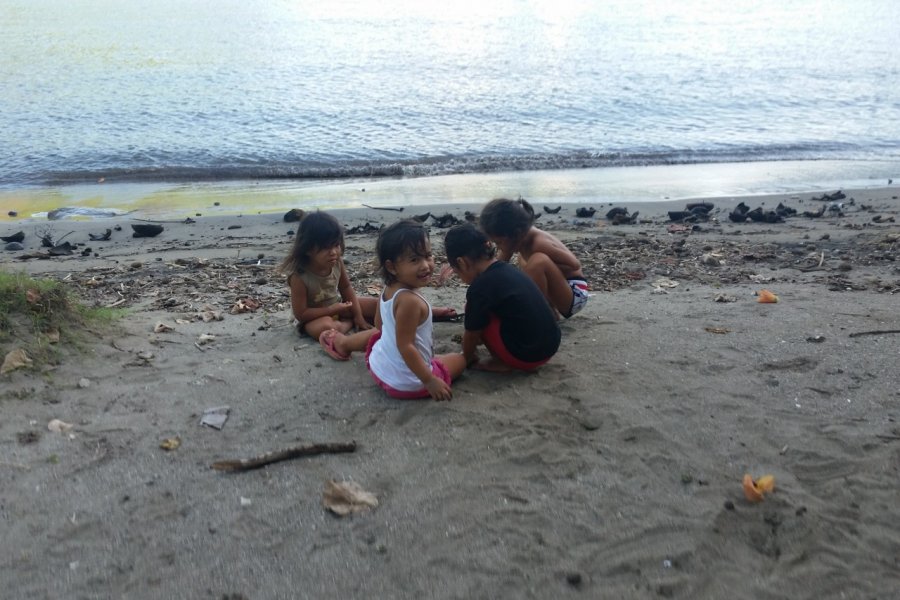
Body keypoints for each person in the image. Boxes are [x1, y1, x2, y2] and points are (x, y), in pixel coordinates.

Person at [320, 219, 467, 401]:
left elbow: (379, 325)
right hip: (408, 383)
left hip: (380, 366)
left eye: (428, 256)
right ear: (392, 267)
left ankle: (344, 344)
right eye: (414, 260)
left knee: (384, 335)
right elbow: (405, 346)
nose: (425, 265)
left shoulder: (389, 288)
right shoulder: (410, 301)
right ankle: (432, 372)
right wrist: (429, 380)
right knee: (460, 360)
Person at [444, 223, 561, 372]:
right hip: (550, 345)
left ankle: (500, 361)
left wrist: (466, 357)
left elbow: (472, 331)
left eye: (456, 271)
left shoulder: (480, 287)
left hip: (526, 356)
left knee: (475, 310)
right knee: (490, 307)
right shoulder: (508, 269)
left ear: (462, 262)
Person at [478, 197, 589, 319]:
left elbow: (575, 264)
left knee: (538, 262)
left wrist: (547, 268)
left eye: (499, 243)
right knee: (526, 260)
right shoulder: (517, 239)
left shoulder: (539, 244)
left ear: (517, 233)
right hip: (561, 291)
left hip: (575, 294)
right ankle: (549, 311)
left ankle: (541, 313)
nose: (498, 247)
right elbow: (499, 265)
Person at [279, 211, 377, 340]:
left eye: (336, 245)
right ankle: (349, 323)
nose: (333, 252)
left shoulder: (337, 263)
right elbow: (301, 314)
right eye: (326, 248)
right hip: (313, 318)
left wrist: (358, 315)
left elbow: (346, 288)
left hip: (338, 306)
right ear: (308, 249)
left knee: (377, 305)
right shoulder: (299, 277)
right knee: (326, 327)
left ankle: (352, 320)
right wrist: (332, 310)